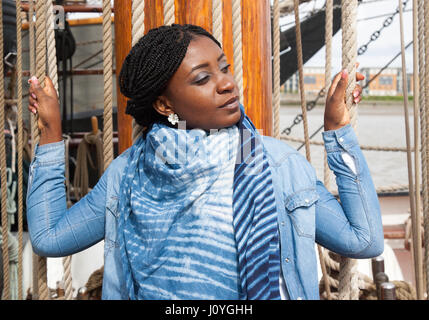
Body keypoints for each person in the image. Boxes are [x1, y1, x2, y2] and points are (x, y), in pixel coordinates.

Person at [26, 24, 383, 300]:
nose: (227, 83)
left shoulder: (279, 165)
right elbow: (49, 237)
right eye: (203, 78)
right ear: (165, 105)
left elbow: (363, 239)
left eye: (224, 68)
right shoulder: (128, 175)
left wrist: (337, 131)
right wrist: (50, 130)